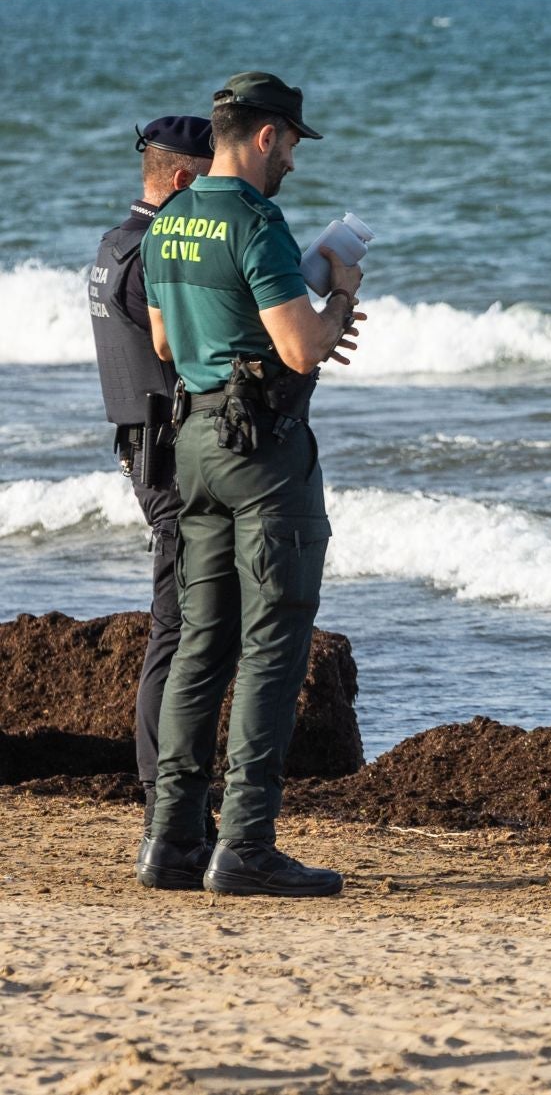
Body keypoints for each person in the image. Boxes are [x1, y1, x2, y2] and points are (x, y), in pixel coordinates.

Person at [137, 71, 365, 897]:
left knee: (202, 641)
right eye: (294, 144)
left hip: (192, 440)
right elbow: (301, 350)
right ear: (267, 135)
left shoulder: (171, 220)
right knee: (275, 642)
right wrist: (338, 297)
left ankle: (170, 840)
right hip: (263, 453)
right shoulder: (257, 221)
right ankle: (247, 844)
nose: (295, 164)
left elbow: (163, 343)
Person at [87, 116, 214, 863]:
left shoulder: (111, 245)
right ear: (181, 180)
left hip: (138, 439)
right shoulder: (150, 255)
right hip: (164, 450)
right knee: (175, 624)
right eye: (208, 179)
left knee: (177, 620)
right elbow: (185, 348)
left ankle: (170, 802)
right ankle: (163, 804)